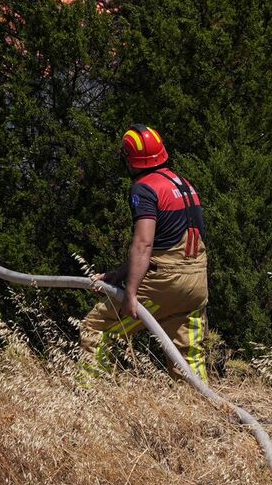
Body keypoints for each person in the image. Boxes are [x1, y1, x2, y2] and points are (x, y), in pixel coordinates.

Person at [81, 125, 209, 379]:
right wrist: (117, 275)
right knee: (188, 356)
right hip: (196, 284)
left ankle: (89, 393)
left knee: (96, 329)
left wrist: (130, 293)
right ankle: (199, 401)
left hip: (164, 283)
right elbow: (169, 243)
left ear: (131, 159)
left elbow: (144, 244)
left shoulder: (144, 188)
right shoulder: (183, 184)